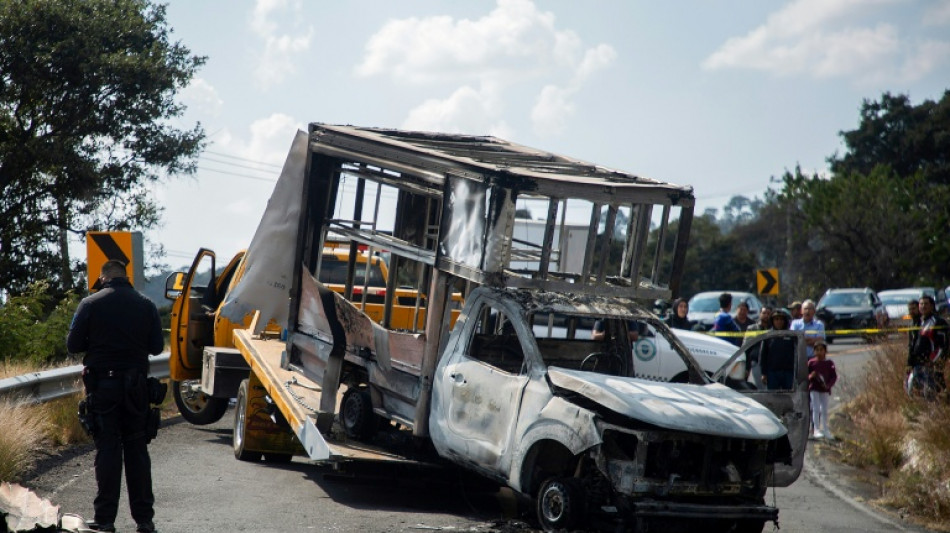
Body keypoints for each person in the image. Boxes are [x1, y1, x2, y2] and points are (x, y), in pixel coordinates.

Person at [67, 260, 163, 533]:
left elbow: (73, 344)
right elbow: (157, 347)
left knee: (108, 450)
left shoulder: (90, 304)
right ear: (125, 276)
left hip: (104, 388)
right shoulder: (146, 305)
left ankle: (105, 519)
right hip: (137, 390)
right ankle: (144, 520)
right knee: (137, 451)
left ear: (103, 278)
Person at [907, 295, 949, 397]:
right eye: (921, 304)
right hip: (918, 364)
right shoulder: (918, 323)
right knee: (916, 393)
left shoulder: (938, 322)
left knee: (931, 393)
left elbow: (942, 345)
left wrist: (933, 361)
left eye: (926, 304)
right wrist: (910, 363)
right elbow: (912, 344)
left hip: (930, 364)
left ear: (932, 306)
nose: (923, 306)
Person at [760, 308, 796, 390]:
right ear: (772, 321)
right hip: (772, 372)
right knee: (772, 396)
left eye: (781, 319)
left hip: (788, 372)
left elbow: (796, 354)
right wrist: (763, 373)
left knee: (788, 395)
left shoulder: (791, 335)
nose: (779, 321)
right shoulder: (768, 335)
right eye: (776, 319)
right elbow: (763, 355)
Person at [808, 340, 837, 439]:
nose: (819, 352)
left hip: (824, 389)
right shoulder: (811, 363)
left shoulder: (829, 363)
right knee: (815, 408)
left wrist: (828, 385)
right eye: (817, 350)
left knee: (824, 409)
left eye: (821, 350)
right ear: (814, 351)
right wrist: (811, 376)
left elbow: (833, 377)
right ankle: (816, 429)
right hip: (814, 388)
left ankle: (825, 429)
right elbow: (805, 376)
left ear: (825, 351)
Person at [744, 306, 773, 388]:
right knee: (761, 387)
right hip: (756, 362)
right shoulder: (752, 329)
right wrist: (747, 367)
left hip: (771, 364)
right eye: (764, 313)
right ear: (760, 314)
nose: (766, 315)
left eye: (768, 313)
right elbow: (746, 348)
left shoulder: (774, 329)